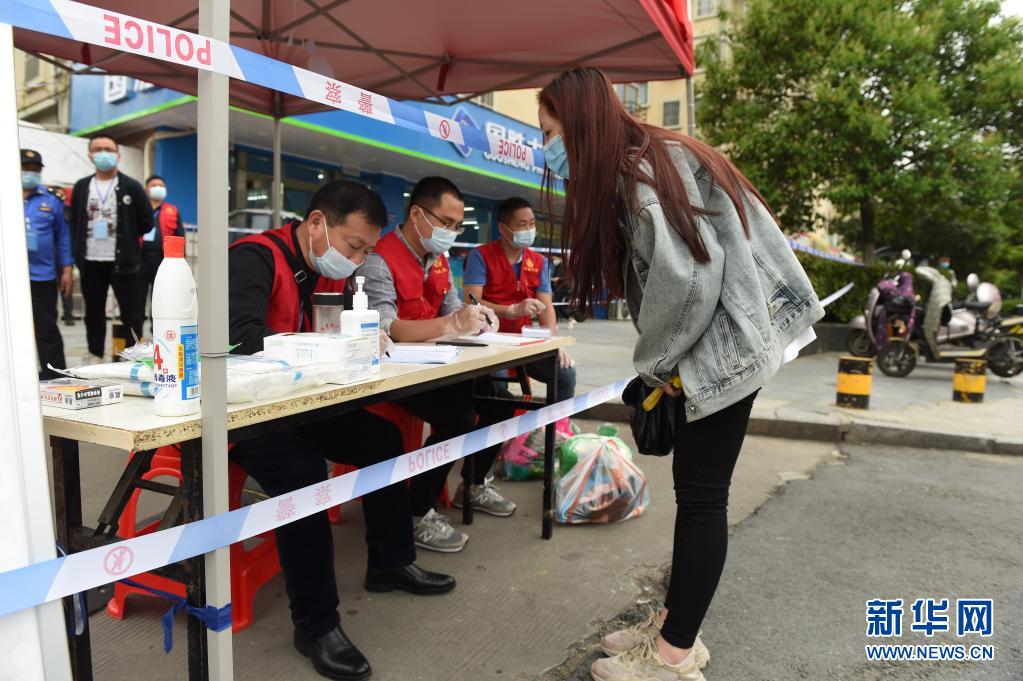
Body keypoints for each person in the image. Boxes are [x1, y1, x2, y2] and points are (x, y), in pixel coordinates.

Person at [537, 67, 824, 681]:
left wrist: (656, 369)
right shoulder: (650, 158)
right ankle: (673, 623)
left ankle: (674, 654)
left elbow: (689, 281)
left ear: (579, 125)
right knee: (697, 494)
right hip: (731, 335)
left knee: (701, 498)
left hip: (724, 346)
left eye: (549, 133)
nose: (546, 149)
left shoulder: (638, 176)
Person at [229, 179, 455, 681]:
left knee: (383, 441)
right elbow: (239, 340)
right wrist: (328, 349)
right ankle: (316, 624)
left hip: (301, 405)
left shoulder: (330, 273)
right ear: (316, 223)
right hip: (242, 414)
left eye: (367, 251)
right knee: (303, 471)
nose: (356, 260)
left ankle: (390, 562)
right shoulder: (254, 258)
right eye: (353, 246)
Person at [357, 176, 513, 553]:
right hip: (395, 374)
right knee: (458, 417)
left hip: (438, 365)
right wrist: (450, 324)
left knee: (500, 401)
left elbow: (452, 308)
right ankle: (417, 511)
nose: (451, 233)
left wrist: (476, 317)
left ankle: (472, 485)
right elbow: (384, 326)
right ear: (417, 214)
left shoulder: (439, 259)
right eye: (446, 223)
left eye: (457, 226)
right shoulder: (379, 260)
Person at [463, 196, 576, 403]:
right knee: (496, 386)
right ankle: (503, 422)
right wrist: (510, 310)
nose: (529, 229)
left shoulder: (539, 262)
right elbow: (472, 301)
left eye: (532, 223)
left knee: (565, 372)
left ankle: (557, 421)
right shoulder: (480, 256)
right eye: (522, 224)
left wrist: (554, 344)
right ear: (503, 228)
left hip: (524, 342)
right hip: (488, 341)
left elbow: (546, 307)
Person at [69, 134, 151, 363]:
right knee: (93, 312)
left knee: (131, 312)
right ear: (90, 155)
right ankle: (95, 353)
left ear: (117, 154)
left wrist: (127, 239)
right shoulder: (82, 187)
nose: (103, 153)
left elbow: (146, 222)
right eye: (98, 149)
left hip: (124, 261)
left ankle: (133, 355)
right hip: (90, 260)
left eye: (108, 149)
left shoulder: (132, 186)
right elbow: (74, 221)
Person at [21, 149, 73, 379]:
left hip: (42, 275)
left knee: (46, 327)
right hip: (10, 277)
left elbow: (62, 237)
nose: (30, 173)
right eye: (25, 168)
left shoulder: (51, 200)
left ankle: (55, 375)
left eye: (35, 169)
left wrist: (67, 269)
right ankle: (17, 375)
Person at [140, 175, 184, 332]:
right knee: (137, 299)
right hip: (140, 259)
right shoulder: (139, 208)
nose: (158, 188)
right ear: (146, 189)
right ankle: (136, 334)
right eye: (154, 185)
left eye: (161, 186)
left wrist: (180, 264)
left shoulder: (173, 210)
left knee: (161, 299)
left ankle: (157, 332)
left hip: (163, 260)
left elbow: (180, 235)